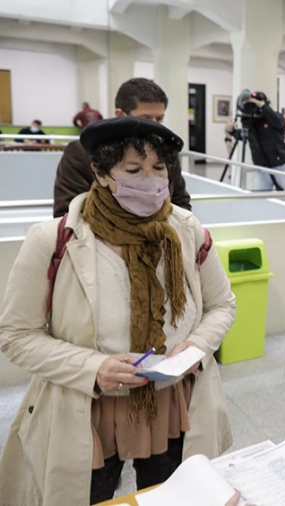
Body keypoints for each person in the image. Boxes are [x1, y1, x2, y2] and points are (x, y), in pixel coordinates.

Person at [0, 117, 236, 505]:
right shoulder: (53, 240)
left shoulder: (186, 230)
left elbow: (222, 305)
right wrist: (94, 369)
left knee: (174, 495)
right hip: (89, 410)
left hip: (172, 402)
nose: (152, 180)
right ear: (100, 172)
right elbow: (16, 335)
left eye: (159, 168)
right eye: (134, 170)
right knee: (90, 496)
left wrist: (194, 347)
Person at [54, 77, 191, 218]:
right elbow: (67, 213)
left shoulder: (166, 150)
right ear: (120, 114)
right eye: (145, 118)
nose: (155, 126)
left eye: (160, 119)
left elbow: (181, 201)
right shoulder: (81, 152)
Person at [225, 89, 285, 204]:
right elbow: (245, 136)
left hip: (281, 165)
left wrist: (262, 105)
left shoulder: (273, 117)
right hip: (261, 167)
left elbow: (280, 123)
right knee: (260, 201)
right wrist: (232, 132)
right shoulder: (251, 122)